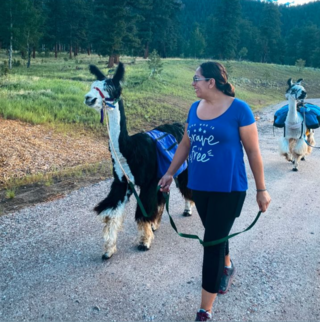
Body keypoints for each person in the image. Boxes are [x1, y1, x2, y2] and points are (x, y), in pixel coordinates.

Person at [158, 61, 271, 321]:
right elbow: (185, 144)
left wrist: (261, 189)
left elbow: (253, 152)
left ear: (211, 81)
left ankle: (204, 311)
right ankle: (227, 266)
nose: (192, 83)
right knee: (215, 233)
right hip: (199, 186)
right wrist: (169, 173)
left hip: (229, 188)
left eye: (196, 78)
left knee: (211, 243)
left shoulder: (239, 109)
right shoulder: (194, 109)